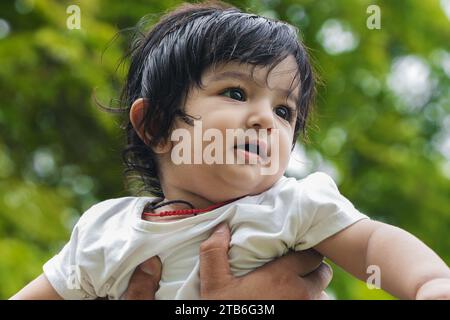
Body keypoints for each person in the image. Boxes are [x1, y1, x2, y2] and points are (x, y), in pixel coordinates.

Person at [11, 1, 450, 300]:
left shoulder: (291, 206)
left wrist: (429, 282)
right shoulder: (105, 231)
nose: (265, 119)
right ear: (157, 126)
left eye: (284, 111)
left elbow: (373, 242)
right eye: (236, 93)